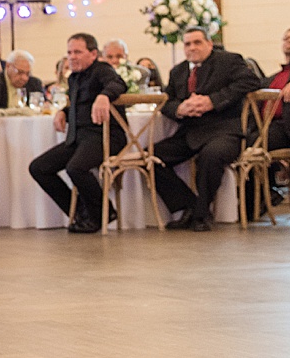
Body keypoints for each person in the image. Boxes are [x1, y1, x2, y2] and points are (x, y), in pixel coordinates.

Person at [151, 26, 259, 231]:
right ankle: (189, 205)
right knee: (152, 158)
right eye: (187, 44)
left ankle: (201, 214)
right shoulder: (179, 71)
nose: (192, 48)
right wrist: (180, 109)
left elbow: (251, 81)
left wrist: (213, 101)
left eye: (197, 42)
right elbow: (166, 102)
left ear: (209, 44)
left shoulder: (228, 61)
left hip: (225, 129)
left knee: (211, 156)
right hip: (191, 131)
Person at [28, 32, 127, 233]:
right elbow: (79, 104)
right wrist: (63, 112)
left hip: (104, 136)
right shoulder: (73, 78)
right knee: (39, 167)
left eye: (77, 52)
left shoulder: (102, 70)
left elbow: (119, 84)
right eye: (69, 52)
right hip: (79, 138)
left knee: (76, 168)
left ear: (93, 54)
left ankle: (102, 213)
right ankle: (83, 211)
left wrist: (104, 96)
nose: (72, 57)